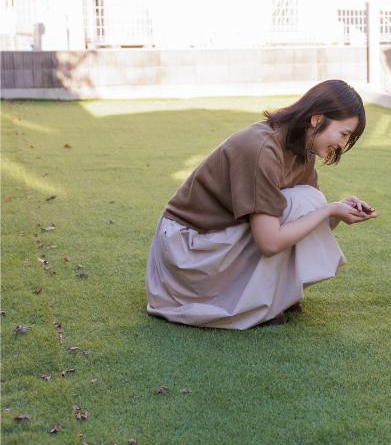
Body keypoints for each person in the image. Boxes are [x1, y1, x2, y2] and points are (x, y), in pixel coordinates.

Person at [145, 80, 377, 329]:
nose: (342, 145)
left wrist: (339, 211)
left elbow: (308, 222)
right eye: (344, 134)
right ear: (317, 119)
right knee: (307, 202)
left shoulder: (302, 149)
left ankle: (270, 296)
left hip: (216, 241)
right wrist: (329, 209)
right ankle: (257, 304)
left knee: (309, 199)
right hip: (186, 253)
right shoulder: (261, 148)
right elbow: (270, 242)